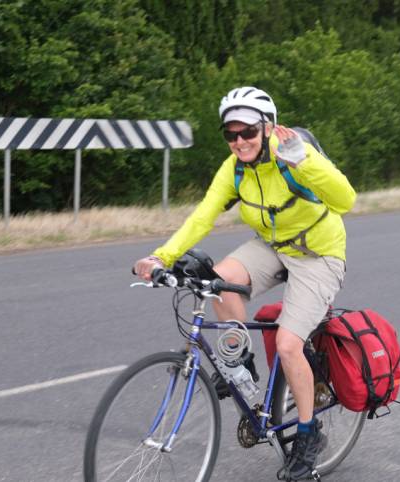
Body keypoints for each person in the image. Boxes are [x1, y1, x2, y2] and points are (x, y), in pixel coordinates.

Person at [132, 86, 356, 480]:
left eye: (248, 132)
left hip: (319, 254)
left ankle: (308, 435)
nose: (239, 142)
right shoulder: (234, 167)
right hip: (272, 245)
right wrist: (160, 257)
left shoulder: (295, 155)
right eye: (230, 134)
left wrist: (304, 161)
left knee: (288, 344)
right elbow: (202, 216)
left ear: (268, 127)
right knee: (216, 281)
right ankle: (241, 366)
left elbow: (345, 200)